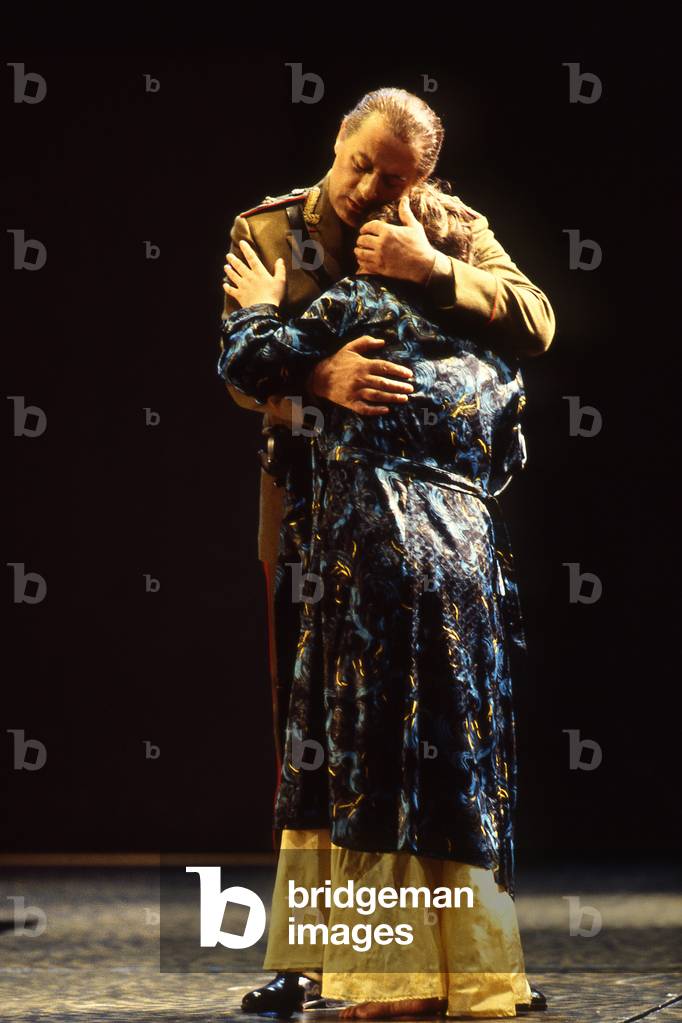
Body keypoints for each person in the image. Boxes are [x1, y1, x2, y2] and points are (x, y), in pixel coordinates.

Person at [218, 87, 554, 1016]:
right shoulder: (271, 231)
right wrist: (321, 372)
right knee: (313, 721)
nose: (371, 185)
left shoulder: (444, 225)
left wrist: (433, 271)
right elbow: (245, 375)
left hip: (392, 512)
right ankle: (321, 953)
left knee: (384, 722)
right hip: (305, 495)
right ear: (339, 141)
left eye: (395, 175)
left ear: (426, 181)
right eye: (360, 161)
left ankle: (422, 955)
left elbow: (533, 317)